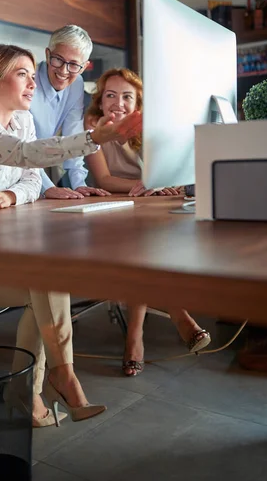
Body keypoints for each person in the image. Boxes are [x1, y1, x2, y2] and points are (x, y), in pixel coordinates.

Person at [0, 45, 142, 425]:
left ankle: (41, 386)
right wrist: (93, 138)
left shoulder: (22, 121)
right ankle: (46, 384)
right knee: (45, 287)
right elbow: (23, 155)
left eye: (31, 74)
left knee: (47, 281)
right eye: (22, 73)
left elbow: (32, 179)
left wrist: (11, 194)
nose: (33, 80)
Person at [84, 67, 211, 377]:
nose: (118, 103)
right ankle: (155, 327)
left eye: (127, 97)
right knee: (141, 248)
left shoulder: (146, 127)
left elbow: (171, 168)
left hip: (146, 206)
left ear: (137, 102)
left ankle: (137, 335)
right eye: (110, 95)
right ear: (100, 101)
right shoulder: (92, 127)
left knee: (149, 245)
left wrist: (160, 181)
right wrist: (141, 184)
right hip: (109, 210)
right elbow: (103, 177)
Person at [30, 24, 110, 200]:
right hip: (7, 169)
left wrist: (79, 184)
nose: (64, 71)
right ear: (47, 54)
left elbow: (73, 137)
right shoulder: (28, 79)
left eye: (74, 64)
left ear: (84, 66)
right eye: (58, 59)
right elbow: (20, 147)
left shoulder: (77, 83)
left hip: (35, 172)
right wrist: (48, 188)